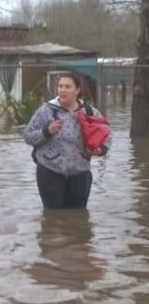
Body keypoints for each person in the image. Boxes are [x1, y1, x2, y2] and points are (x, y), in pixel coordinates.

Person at [23, 72, 112, 209]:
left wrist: (99, 150)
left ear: (77, 90)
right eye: (60, 86)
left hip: (80, 172)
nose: (62, 90)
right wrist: (47, 131)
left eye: (67, 87)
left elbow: (107, 136)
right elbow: (28, 136)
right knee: (53, 217)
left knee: (78, 217)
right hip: (49, 170)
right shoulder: (46, 111)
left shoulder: (90, 112)